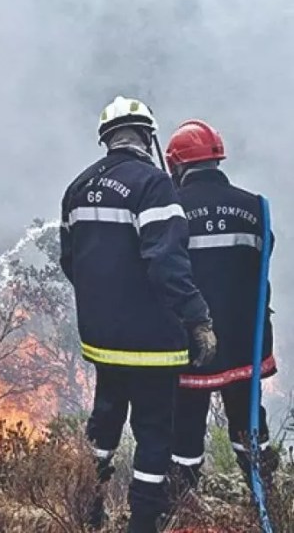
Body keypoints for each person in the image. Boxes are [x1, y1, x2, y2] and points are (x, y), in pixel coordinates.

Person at [59, 96, 216, 532]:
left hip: (101, 339)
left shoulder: (77, 188)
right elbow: (167, 261)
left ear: (106, 139)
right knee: (153, 432)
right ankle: (144, 522)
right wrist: (197, 317)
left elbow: (70, 261)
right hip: (152, 343)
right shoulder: (154, 185)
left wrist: (103, 301)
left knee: (104, 422)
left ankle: (86, 508)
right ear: (148, 136)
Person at [165, 119, 278, 498]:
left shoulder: (172, 210)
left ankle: (184, 504)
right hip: (248, 339)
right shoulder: (256, 207)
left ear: (177, 165)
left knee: (185, 432)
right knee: (249, 428)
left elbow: (162, 272)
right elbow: (261, 262)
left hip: (194, 344)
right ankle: (267, 498)